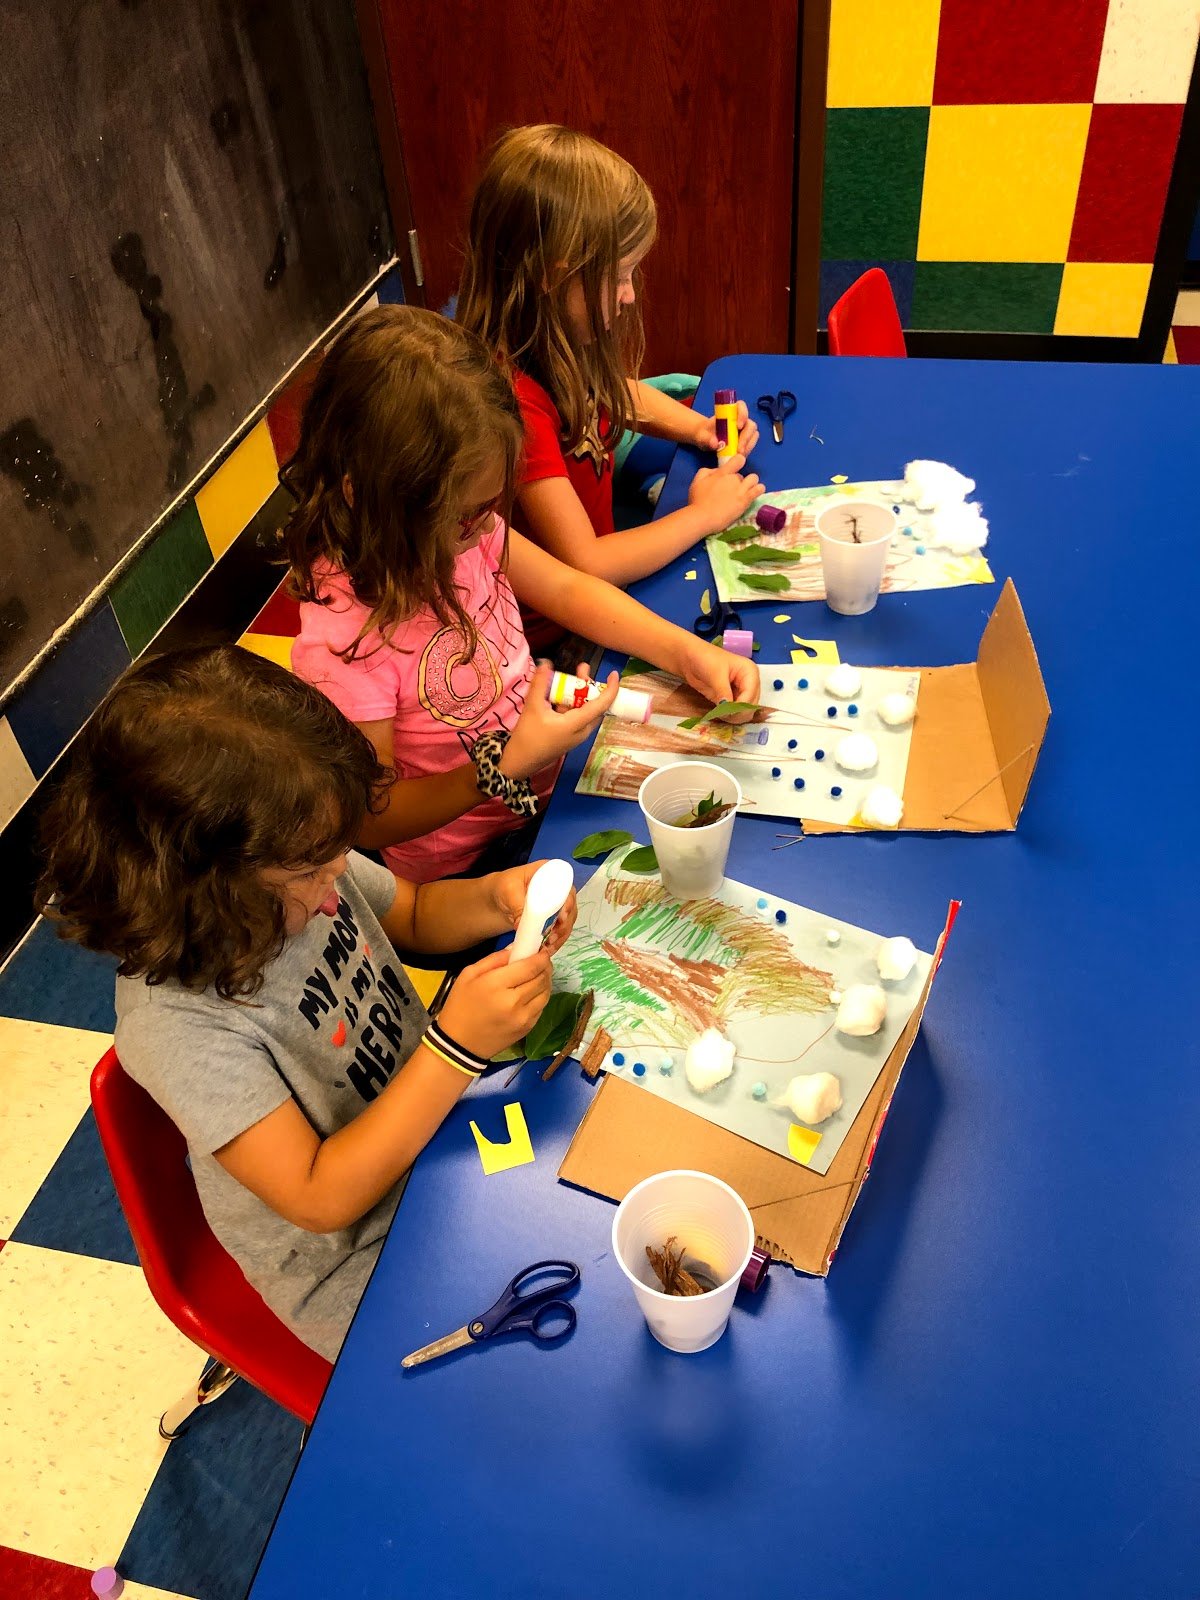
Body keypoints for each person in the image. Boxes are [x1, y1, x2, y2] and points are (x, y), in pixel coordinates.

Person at [36, 645, 573, 1360]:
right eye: (316, 870)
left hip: (434, 1141)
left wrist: (495, 900)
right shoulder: (175, 1027)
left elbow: (413, 913)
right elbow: (320, 1198)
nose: (339, 876)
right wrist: (454, 1049)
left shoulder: (300, 859)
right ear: (211, 892)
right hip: (355, 1260)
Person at [285, 304, 759, 885]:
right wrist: (501, 766)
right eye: (465, 513)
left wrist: (689, 654)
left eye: (491, 505)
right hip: (470, 869)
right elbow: (370, 818)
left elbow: (567, 588)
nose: (484, 527)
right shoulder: (343, 643)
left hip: (548, 796)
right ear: (368, 497)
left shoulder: (463, 530)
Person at [456, 123, 761, 651]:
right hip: (556, 638)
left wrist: (698, 428)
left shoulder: (552, 338)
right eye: (619, 276)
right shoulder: (509, 404)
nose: (628, 295)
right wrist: (702, 516)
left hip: (601, 591)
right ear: (553, 275)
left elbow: (610, 390)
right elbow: (588, 563)